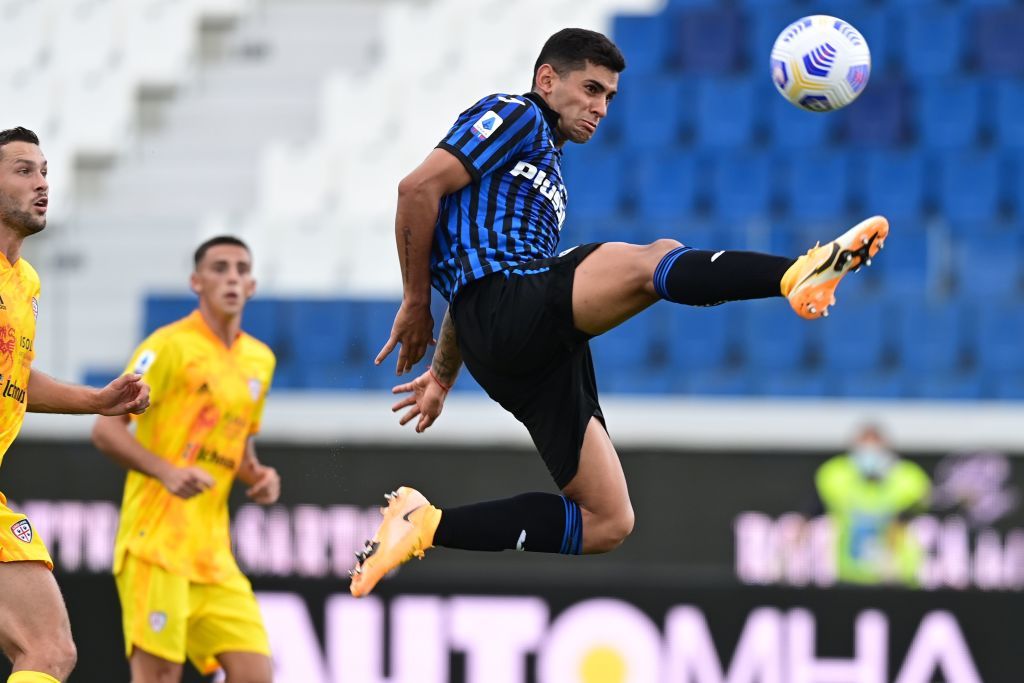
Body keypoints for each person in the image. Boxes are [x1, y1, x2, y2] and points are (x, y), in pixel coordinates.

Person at [350, 28, 889, 597]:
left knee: (608, 521)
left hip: (513, 338)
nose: (601, 108)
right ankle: (793, 274)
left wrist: (441, 372)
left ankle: (424, 526)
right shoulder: (515, 115)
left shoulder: (546, 169)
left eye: (609, 97)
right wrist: (414, 302)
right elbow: (416, 190)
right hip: (509, 304)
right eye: (591, 89)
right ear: (546, 80)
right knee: (652, 260)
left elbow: (468, 272)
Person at [0, 127, 151, 682]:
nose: (41, 184)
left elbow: (14, 376)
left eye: (44, 172)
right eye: (23, 171)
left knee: (47, 649)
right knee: (48, 647)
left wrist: (98, 399)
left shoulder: (27, 283)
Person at [91, 236, 279, 683]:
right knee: (158, 677)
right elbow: (105, 428)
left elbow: (237, 443)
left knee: (256, 674)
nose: (231, 277)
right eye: (219, 268)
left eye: (240, 268)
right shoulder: (169, 345)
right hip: (156, 543)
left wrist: (257, 474)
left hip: (213, 553)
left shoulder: (260, 360)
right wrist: (167, 472)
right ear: (197, 281)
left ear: (251, 284)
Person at [812, 424, 930, 586]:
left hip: (896, 575)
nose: (870, 452)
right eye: (864, 445)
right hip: (850, 574)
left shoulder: (907, 478)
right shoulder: (836, 475)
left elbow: (922, 509)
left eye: (875, 445)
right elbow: (814, 508)